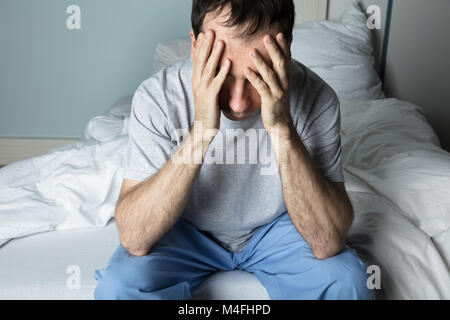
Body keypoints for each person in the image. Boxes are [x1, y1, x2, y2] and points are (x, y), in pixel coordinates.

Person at [94, 0, 375, 300]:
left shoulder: (318, 100)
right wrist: (201, 132)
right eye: (224, 76)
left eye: (257, 77)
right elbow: (135, 238)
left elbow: (327, 242)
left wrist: (282, 129)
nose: (239, 103)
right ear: (194, 45)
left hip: (279, 227)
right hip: (184, 227)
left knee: (348, 283)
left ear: (287, 47)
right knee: (118, 289)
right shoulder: (157, 97)